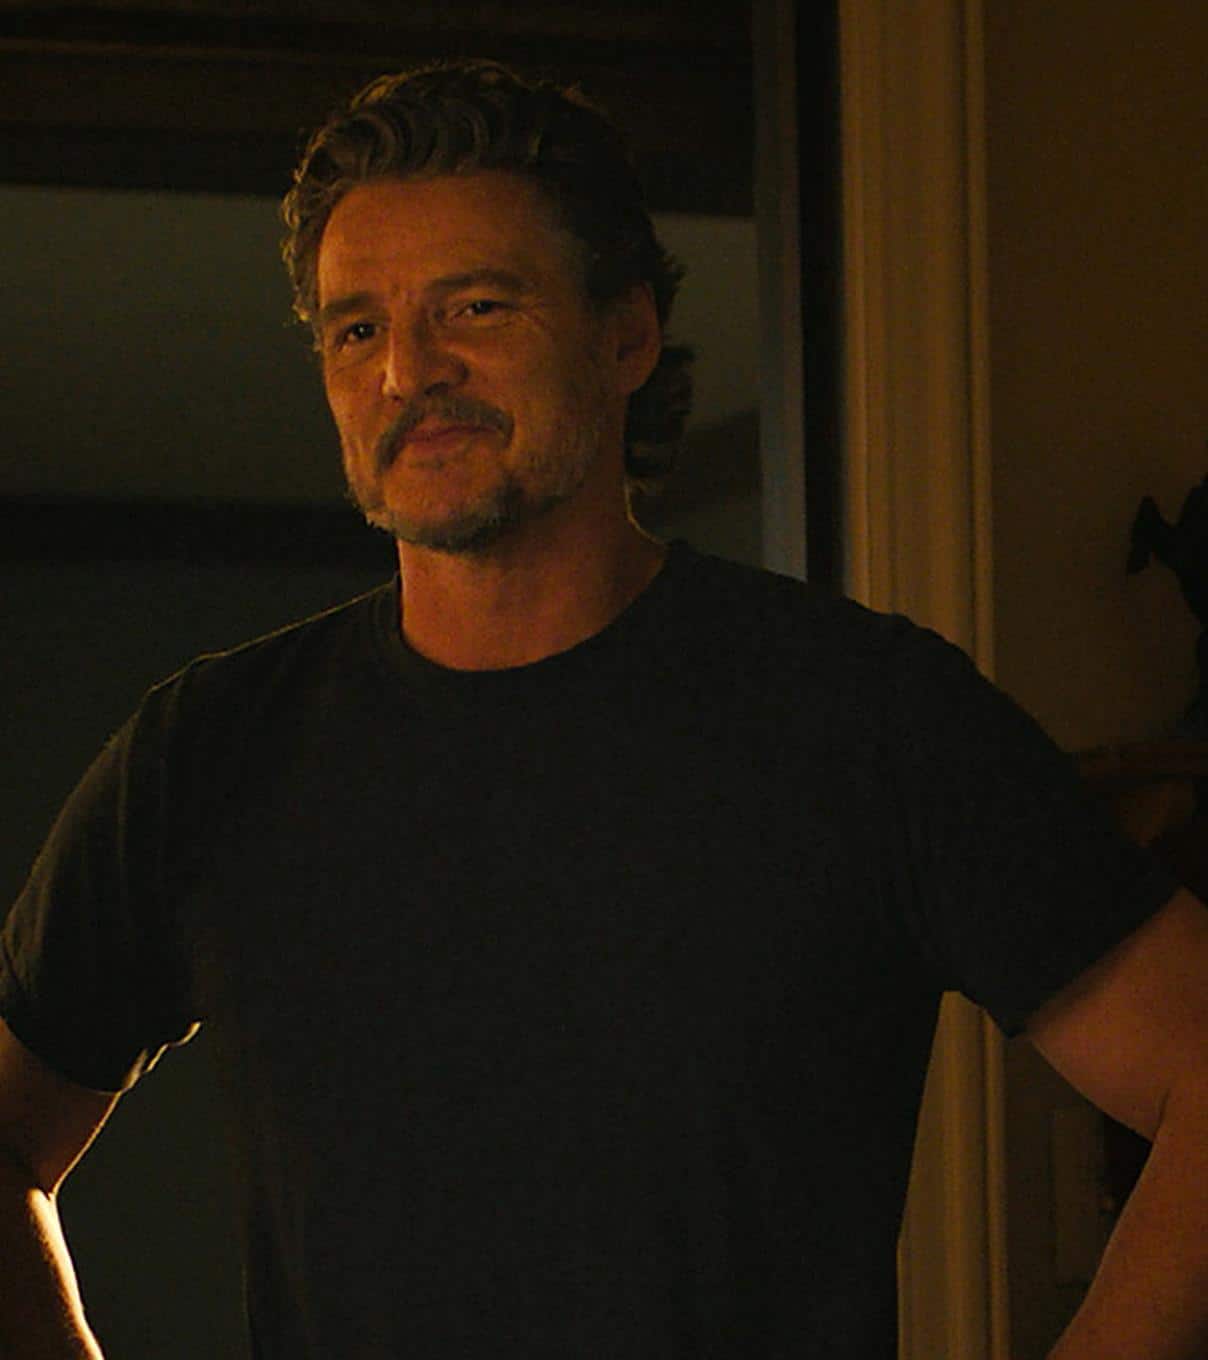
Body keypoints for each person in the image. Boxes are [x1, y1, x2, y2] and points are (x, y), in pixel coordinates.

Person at [1, 59, 1206, 1360]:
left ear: (626, 336)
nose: (408, 370)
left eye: (475, 305)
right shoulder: (208, 754)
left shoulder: (862, 717)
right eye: (356, 330)